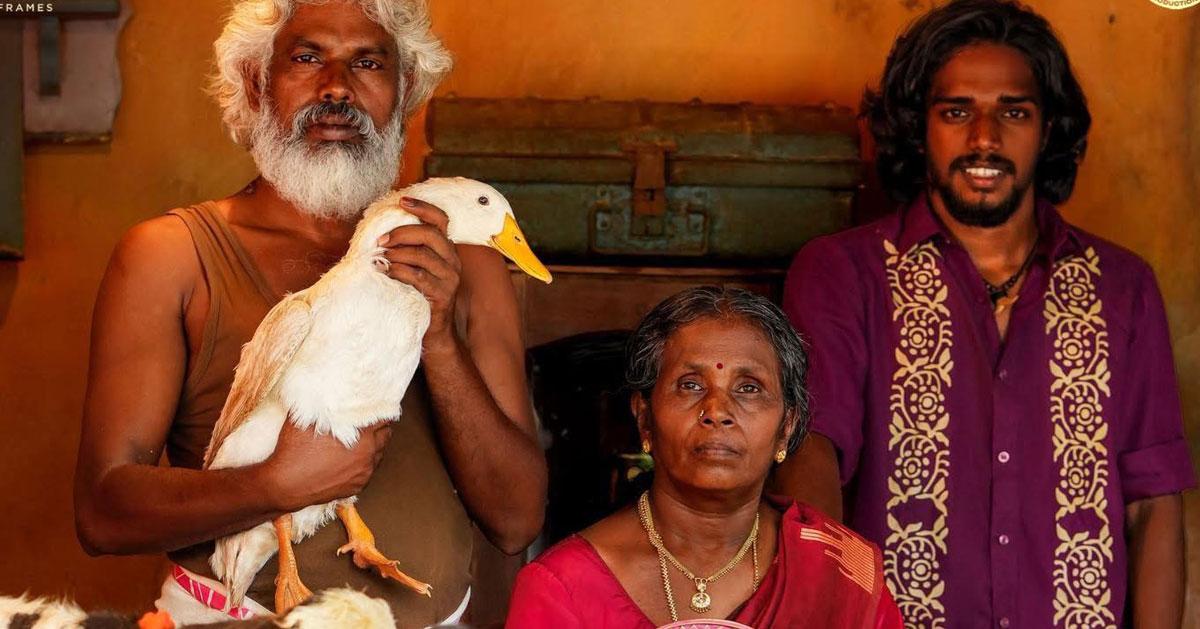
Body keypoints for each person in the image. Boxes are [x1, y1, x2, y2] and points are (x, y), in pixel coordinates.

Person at [72, 1, 546, 626]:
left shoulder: (466, 263)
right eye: (305, 58)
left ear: (405, 92)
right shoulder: (172, 256)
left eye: (368, 63)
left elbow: (516, 520)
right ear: (255, 82)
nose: (336, 89)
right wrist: (275, 483)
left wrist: (436, 335)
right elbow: (102, 513)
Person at [776, 1, 1196, 627]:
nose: (984, 139)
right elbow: (812, 455)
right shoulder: (843, 274)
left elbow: (1154, 502)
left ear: (1048, 129)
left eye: (1014, 111)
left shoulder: (1123, 287)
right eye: (956, 111)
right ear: (918, 127)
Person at [506, 287, 904, 628]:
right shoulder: (565, 586)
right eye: (691, 385)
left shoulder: (840, 571)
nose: (717, 410)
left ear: (786, 427)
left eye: (748, 388)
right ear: (645, 419)